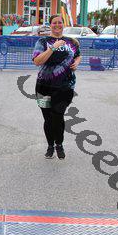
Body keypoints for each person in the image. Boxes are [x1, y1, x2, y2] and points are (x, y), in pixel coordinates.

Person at [32, 14, 82, 159]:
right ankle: (50, 146)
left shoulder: (72, 42)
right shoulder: (43, 42)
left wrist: (77, 62)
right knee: (48, 118)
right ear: (50, 25)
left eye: (60, 22)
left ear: (63, 24)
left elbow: (78, 55)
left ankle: (59, 145)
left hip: (65, 87)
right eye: (54, 23)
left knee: (58, 116)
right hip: (43, 86)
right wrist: (53, 48)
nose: (57, 25)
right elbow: (37, 61)